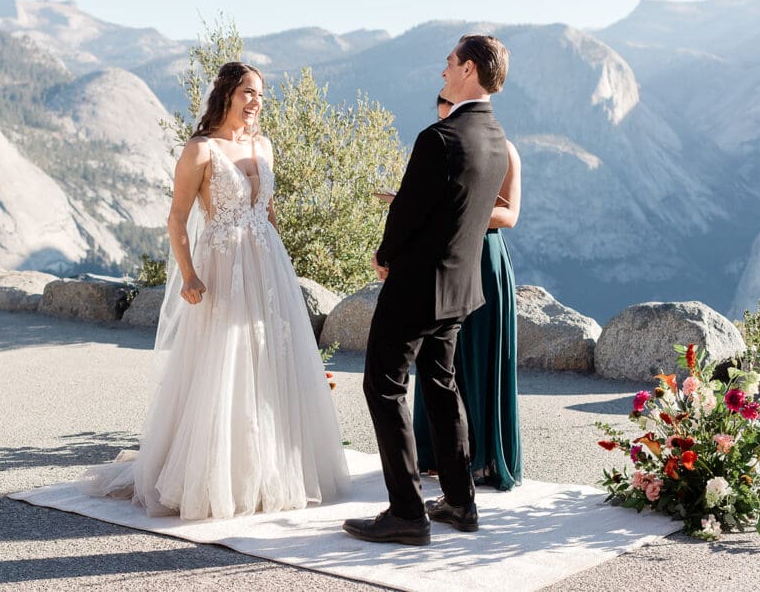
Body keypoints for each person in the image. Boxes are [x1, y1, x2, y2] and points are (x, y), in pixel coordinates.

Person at [78, 62, 350, 519]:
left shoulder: (264, 145)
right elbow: (177, 218)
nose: (256, 102)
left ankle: (273, 469)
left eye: (261, 94)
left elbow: (270, 212)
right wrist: (188, 275)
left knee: (271, 361)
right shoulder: (201, 150)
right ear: (226, 94)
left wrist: (282, 266)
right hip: (222, 266)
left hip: (268, 266)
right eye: (248, 92)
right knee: (225, 363)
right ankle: (216, 476)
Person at [343, 35, 510, 546]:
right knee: (441, 387)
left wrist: (384, 256)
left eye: (450, 61)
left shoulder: (439, 137)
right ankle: (460, 503)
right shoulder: (497, 138)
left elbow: (407, 213)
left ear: (469, 70)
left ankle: (407, 512)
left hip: (417, 285)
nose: (444, 68)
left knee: (384, 386)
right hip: (460, 286)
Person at [411, 95, 523, 492]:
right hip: (443, 256)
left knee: (479, 358)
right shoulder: (438, 144)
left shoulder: (504, 148)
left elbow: (509, 214)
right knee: (439, 358)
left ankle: (484, 458)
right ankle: (435, 455)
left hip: (483, 257)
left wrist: (456, 208)